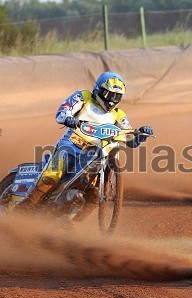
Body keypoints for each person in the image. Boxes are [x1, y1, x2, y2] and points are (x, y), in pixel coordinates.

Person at [19, 71, 154, 208]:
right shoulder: (84, 97)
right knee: (50, 177)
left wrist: (141, 135)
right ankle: (25, 206)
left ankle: (66, 218)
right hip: (71, 145)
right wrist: (68, 118)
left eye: (117, 96)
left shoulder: (119, 115)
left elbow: (129, 138)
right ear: (98, 90)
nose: (112, 100)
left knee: (94, 193)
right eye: (109, 94)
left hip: (95, 155)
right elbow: (63, 111)